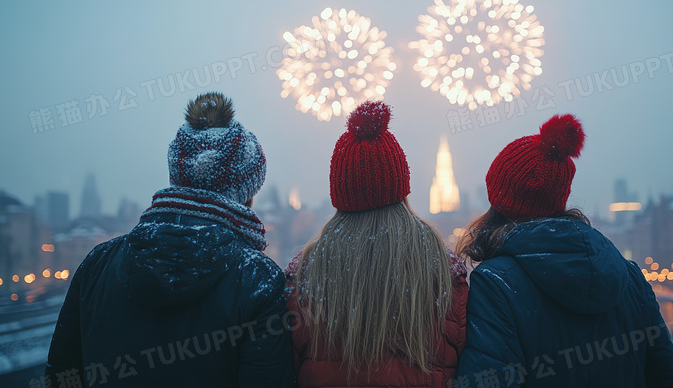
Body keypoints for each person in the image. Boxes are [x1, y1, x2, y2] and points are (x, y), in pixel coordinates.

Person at [45, 93, 294, 387]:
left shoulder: (97, 264)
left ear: (176, 176)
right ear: (246, 194)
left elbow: (60, 376)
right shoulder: (260, 280)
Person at [455, 114, 673, 387]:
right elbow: (666, 376)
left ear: (498, 199)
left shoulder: (495, 283)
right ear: (560, 198)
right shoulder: (630, 277)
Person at [284, 101, 468, 387]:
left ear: (340, 191)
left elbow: (291, 364)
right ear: (402, 187)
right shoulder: (443, 271)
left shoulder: (306, 274)